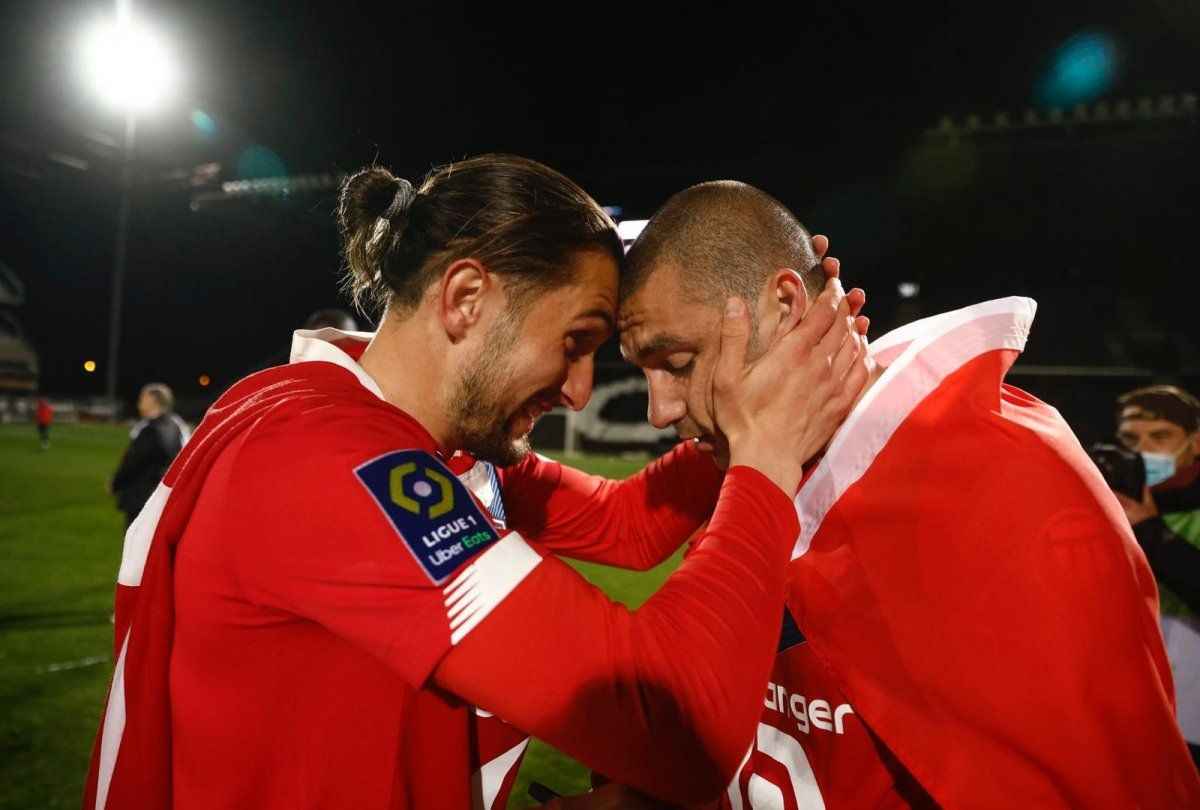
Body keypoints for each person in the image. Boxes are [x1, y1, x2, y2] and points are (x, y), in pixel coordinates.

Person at [83, 155, 871, 810]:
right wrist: (765, 450)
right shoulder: (329, 462)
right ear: (465, 299)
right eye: (575, 341)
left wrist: (772, 381)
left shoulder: (425, 444)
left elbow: (627, 525)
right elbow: (674, 719)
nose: (578, 391)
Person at [606, 180, 1199, 808]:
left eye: (678, 362)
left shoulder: (999, 490)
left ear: (785, 304)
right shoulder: (756, 467)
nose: (659, 410)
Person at [1111, 384, 1200, 766]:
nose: (1144, 449)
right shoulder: (1106, 503)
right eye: (1131, 439)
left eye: (1160, 436)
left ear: (1195, 443)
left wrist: (1150, 531)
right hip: (1130, 710)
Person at [109, 384, 190, 530]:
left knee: (137, 539)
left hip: (142, 497)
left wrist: (116, 483)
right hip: (167, 496)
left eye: (143, 399)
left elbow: (132, 462)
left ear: (153, 400)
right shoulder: (177, 425)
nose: (139, 403)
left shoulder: (149, 429)